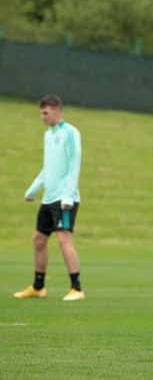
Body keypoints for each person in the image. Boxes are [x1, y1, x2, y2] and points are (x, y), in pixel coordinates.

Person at [14, 95, 85, 302]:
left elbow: (74, 164)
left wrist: (68, 195)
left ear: (56, 110)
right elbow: (48, 168)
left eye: (45, 113)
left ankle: (76, 288)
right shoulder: (48, 135)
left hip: (65, 198)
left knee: (64, 239)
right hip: (48, 198)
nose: (42, 117)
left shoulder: (70, 133)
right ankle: (38, 287)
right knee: (38, 239)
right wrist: (33, 189)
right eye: (41, 113)